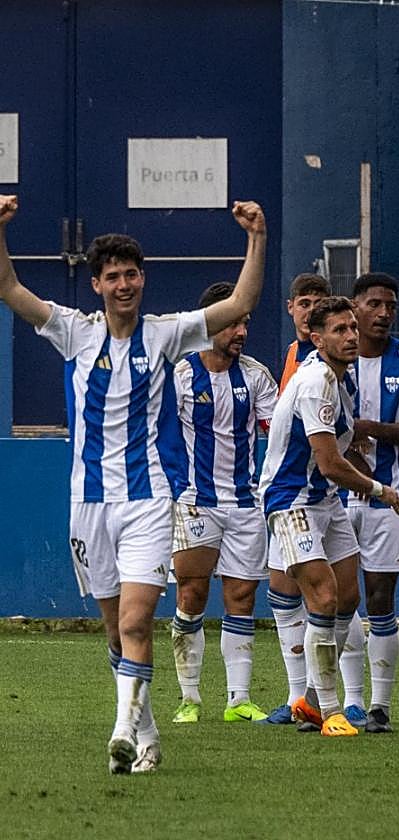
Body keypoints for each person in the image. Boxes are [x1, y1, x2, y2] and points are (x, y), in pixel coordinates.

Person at [0, 193, 266, 773]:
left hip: (149, 501)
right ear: (95, 284)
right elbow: (11, 291)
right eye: (113, 277)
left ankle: (121, 727)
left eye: (132, 275)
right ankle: (146, 736)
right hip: (89, 505)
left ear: (143, 279)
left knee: (137, 621)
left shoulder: (166, 334)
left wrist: (256, 237)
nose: (125, 285)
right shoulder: (74, 332)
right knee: (116, 636)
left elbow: (242, 301)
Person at [259, 296, 399, 737]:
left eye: (352, 329)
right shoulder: (317, 380)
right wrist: (380, 490)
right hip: (291, 500)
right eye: (339, 330)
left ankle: (308, 699)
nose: (350, 337)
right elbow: (327, 461)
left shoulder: (345, 381)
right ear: (316, 339)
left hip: (325, 499)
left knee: (347, 599)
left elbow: (339, 456)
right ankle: (328, 708)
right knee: (321, 598)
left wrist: (367, 483)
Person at [169, 282, 278, 726]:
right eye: (233, 322)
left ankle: (238, 700)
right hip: (195, 501)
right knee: (191, 594)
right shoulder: (179, 375)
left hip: (245, 503)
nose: (241, 332)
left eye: (245, 322)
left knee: (242, 595)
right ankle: (189, 698)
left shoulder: (255, 377)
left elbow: (278, 433)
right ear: (209, 324)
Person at [340, 272, 399, 734]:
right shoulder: (335, 358)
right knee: (338, 599)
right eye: (374, 304)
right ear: (354, 308)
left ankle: (379, 706)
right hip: (333, 499)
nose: (383, 313)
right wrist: (347, 441)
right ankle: (347, 700)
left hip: (387, 500)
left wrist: (367, 428)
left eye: (390, 306)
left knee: (381, 600)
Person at [262, 272, 333, 724]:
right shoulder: (291, 357)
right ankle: (298, 697)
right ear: (290, 308)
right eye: (303, 302)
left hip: (324, 491)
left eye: (318, 301)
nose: (310, 309)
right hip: (290, 489)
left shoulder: (336, 356)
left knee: (333, 598)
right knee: (282, 592)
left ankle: (345, 700)